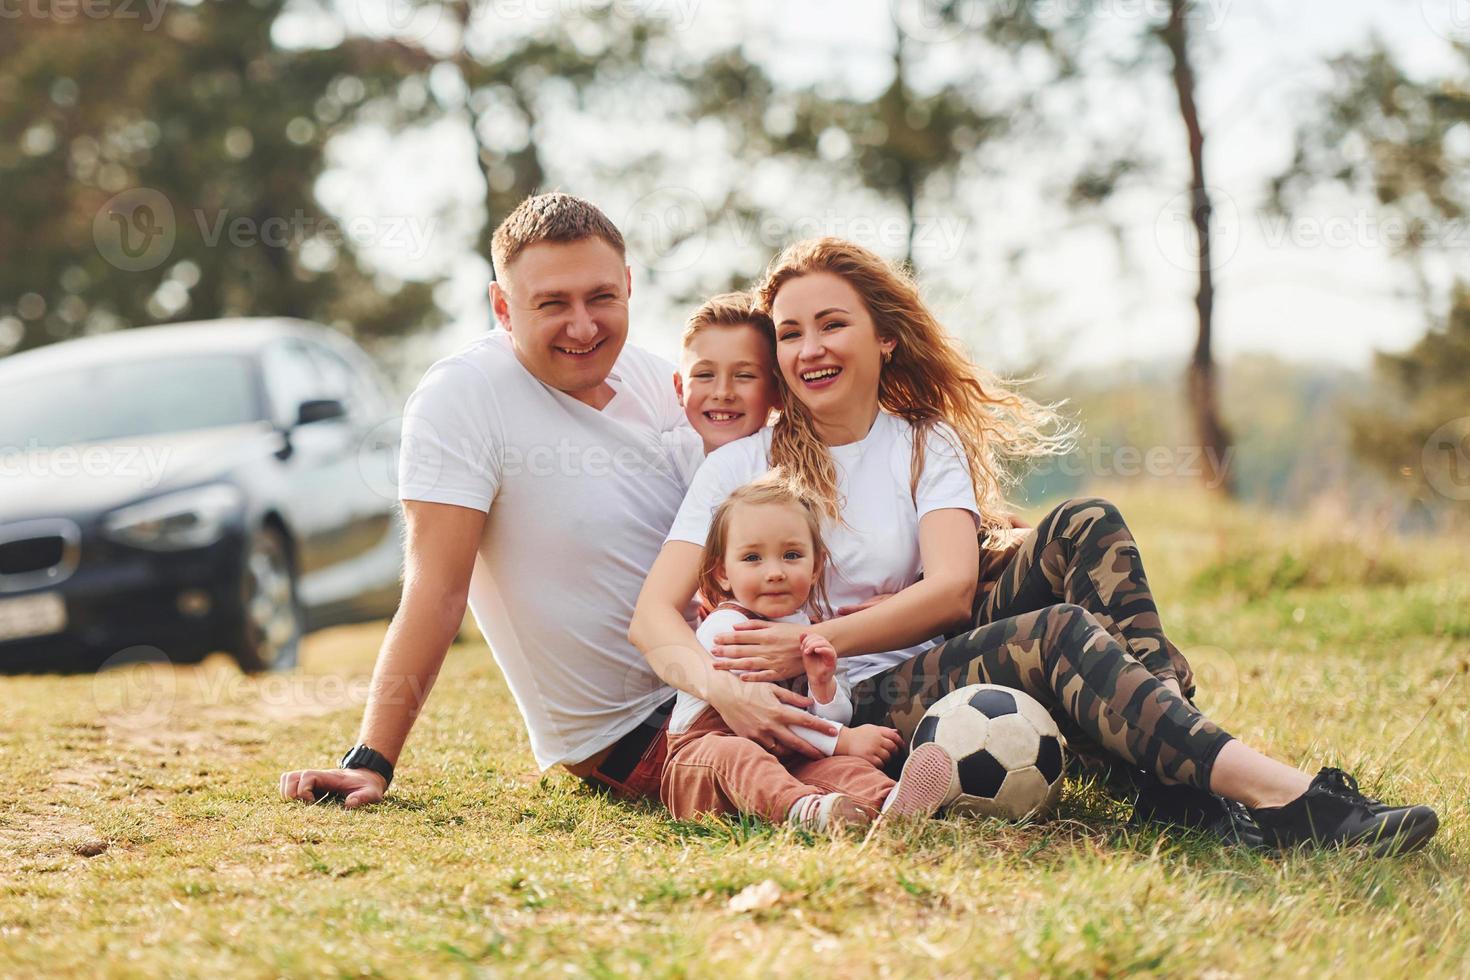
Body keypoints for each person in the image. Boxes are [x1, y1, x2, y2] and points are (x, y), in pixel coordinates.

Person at [630, 236, 1440, 855]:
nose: (808, 349)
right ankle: (1285, 798)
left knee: (1086, 521)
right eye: (790, 332)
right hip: (853, 702)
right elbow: (652, 619)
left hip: (919, 645)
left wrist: (807, 636)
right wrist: (724, 684)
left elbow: (950, 590)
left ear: (884, 339)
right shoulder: (746, 464)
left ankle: (1175, 779)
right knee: (1058, 637)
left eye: (832, 324)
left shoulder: (922, 440)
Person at [280, 193, 841, 811]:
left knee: (916, 690)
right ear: (502, 306)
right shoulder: (464, 398)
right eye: (552, 304)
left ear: (628, 287)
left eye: (601, 298)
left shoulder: (665, 382)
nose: (583, 327)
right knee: (881, 739)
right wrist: (372, 759)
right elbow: (436, 590)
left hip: (754, 668)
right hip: (644, 732)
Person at [661, 473, 955, 830]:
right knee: (740, 756)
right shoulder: (727, 631)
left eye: (791, 555)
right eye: (753, 557)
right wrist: (842, 740)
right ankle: (803, 811)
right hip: (704, 763)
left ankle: (889, 803)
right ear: (723, 572)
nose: (774, 572)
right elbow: (773, 713)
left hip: (788, 758)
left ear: (815, 567)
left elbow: (836, 715)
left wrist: (823, 685)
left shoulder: (813, 631)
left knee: (846, 767)